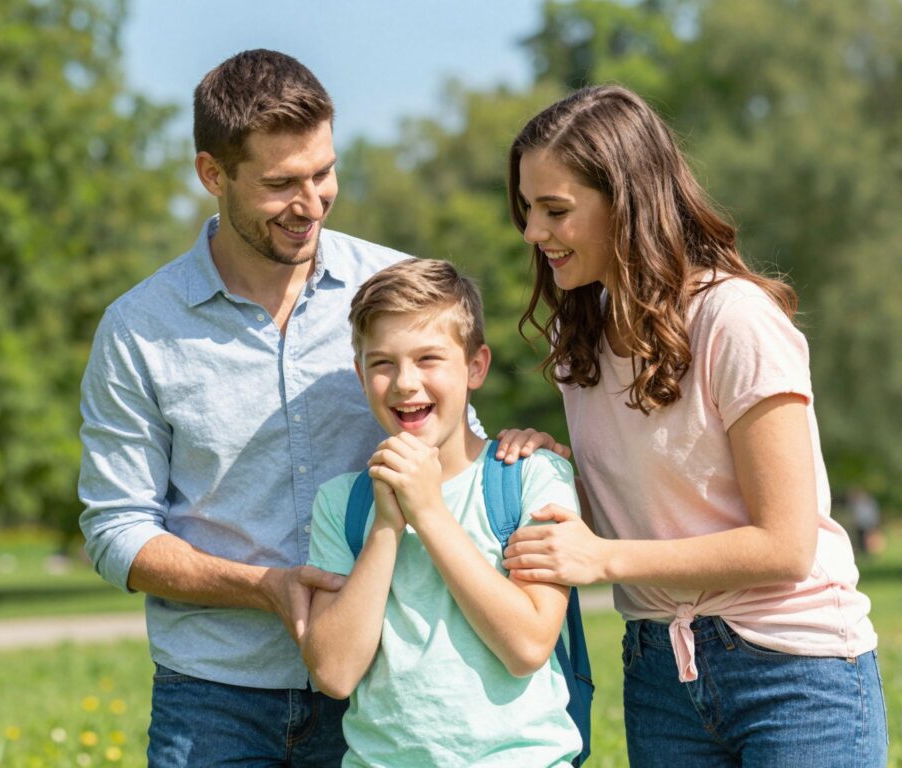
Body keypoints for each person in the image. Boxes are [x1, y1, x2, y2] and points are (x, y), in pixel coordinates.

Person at [496, 85, 887, 767]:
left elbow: (785, 545)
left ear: (627, 204)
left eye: (555, 210)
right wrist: (551, 471)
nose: (533, 232)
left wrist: (604, 557)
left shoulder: (733, 320)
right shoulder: (578, 338)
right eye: (527, 209)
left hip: (793, 672)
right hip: (658, 673)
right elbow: (648, 508)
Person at [78, 50, 427, 766]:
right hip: (212, 696)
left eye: (324, 172)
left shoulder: (397, 287)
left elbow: (451, 451)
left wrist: (509, 447)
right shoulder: (139, 326)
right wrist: (263, 588)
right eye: (280, 184)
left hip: (380, 681)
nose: (311, 203)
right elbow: (116, 529)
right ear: (213, 174)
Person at [302, 258, 583, 767]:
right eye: (382, 363)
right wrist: (388, 525)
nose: (406, 383)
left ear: (476, 366)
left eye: (429, 358)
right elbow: (335, 672)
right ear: (360, 373)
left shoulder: (530, 477)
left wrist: (429, 513)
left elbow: (527, 646)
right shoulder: (341, 502)